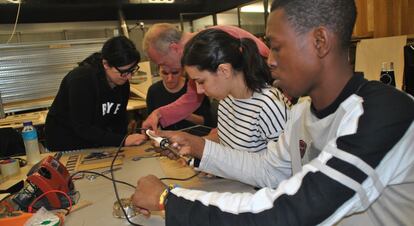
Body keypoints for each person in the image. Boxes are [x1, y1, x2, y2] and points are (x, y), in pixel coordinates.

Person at [132, 0, 414, 225]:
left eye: (277, 47)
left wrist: (168, 201)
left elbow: (292, 211)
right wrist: (200, 148)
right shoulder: (302, 113)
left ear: (320, 42)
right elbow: (266, 169)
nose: (270, 60)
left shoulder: (385, 115)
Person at [141, 23, 270, 131]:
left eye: (163, 63)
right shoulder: (195, 53)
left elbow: (266, 60)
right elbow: (191, 100)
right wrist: (159, 114)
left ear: (174, 48)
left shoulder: (213, 39)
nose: (165, 69)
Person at [182, 29, 289, 152]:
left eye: (201, 82)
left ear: (224, 70)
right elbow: (227, 144)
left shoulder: (269, 105)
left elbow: (284, 167)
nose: (199, 90)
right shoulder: (225, 101)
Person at [45, 36, 146, 151]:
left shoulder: (122, 82)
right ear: (106, 64)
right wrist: (122, 140)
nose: (129, 77)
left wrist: (124, 141)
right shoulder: (81, 79)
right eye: (124, 72)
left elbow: (119, 119)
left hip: (93, 139)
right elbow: (83, 127)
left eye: (132, 70)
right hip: (65, 141)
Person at [146, 65, 215, 130]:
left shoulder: (196, 87)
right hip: (168, 138)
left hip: (196, 136)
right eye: (165, 73)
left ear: (183, 70)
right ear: (158, 71)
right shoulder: (153, 91)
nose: (170, 79)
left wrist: (182, 113)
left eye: (175, 72)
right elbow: (151, 124)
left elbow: (209, 123)